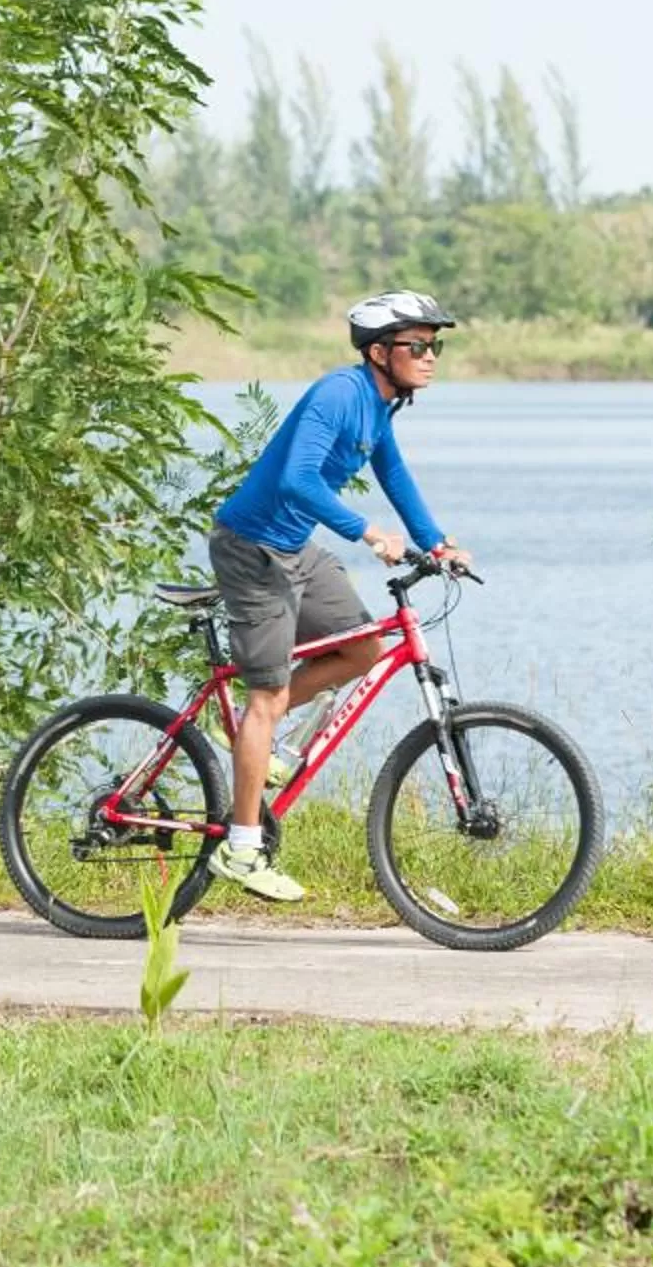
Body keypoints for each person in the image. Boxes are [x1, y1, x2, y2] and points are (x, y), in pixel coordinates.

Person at [202, 290, 471, 901]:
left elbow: (394, 475)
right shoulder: (339, 394)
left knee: (364, 649)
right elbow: (297, 479)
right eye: (418, 346)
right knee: (267, 695)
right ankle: (241, 849)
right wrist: (369, 533)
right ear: (380, 352)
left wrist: (437, 542)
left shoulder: (380, 407)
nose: (431, 356)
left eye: (436, 345)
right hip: (251, 548)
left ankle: (254, 735)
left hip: (295, 549)